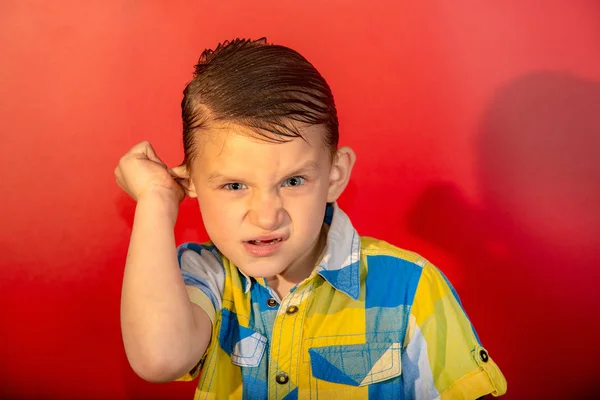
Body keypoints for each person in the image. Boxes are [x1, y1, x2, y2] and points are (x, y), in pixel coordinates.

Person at [114, 37, 507, 399]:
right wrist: (155, 200)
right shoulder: (206, 278)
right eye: (234, 186)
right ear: (191, 183)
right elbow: (158, 359)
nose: (267, 216)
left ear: (335, 176)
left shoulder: (411, 287)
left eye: (293, 180)